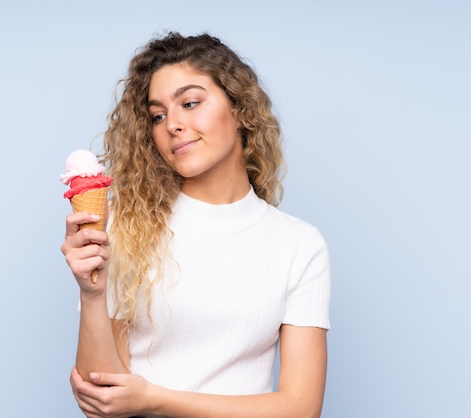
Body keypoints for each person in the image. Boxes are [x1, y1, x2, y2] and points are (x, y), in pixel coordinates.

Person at [61, 32, 331, 418]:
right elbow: (101, 401)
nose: (172, 124)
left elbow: (300, 409)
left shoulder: (299, 245)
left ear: (239, 108)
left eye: (189, 103)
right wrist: (92, 294)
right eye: (158, 115)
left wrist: (155, 398)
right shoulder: (127, 226)